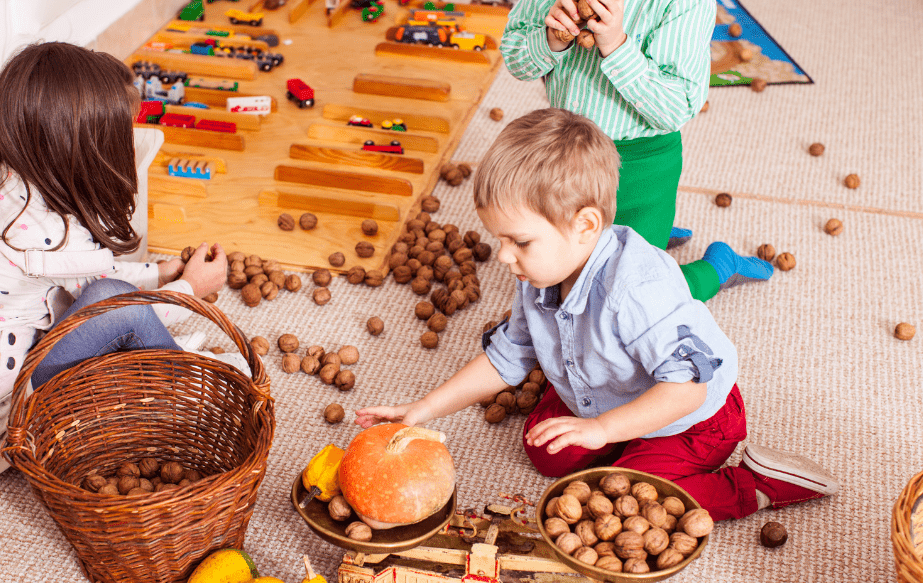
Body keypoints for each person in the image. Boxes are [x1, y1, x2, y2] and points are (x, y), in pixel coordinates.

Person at [356, 109, 838, 521]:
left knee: (622, 497)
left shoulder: (637, 288)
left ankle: (756, 485)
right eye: (500, 239)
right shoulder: (537, 275)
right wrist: (421, 411)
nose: (503, 257)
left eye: (519, 241)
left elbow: (687, 388)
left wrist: (603, 431)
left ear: (585, 225)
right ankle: (605, 421)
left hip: (690, 418)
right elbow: (507, 357)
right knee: (545, 451)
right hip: (612, 396)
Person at [0, 42, 233, 478]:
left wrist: (161, 271)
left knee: (106, 293)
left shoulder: (5, 182)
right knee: (115, 306)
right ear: (90, 150)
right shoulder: (44, 236)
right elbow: (114, 302)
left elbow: (90, 270)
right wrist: (191, 290)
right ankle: (187, 392)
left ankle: (156, 366)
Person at [499, 0, 773, 302]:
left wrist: (617, 46)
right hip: (565, 154)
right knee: (560, 274)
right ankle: (651, 233)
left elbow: (676, 107)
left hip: (641, 165)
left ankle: (716, 267)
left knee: (632, 299)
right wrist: (549, 40)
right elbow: (515, 58)